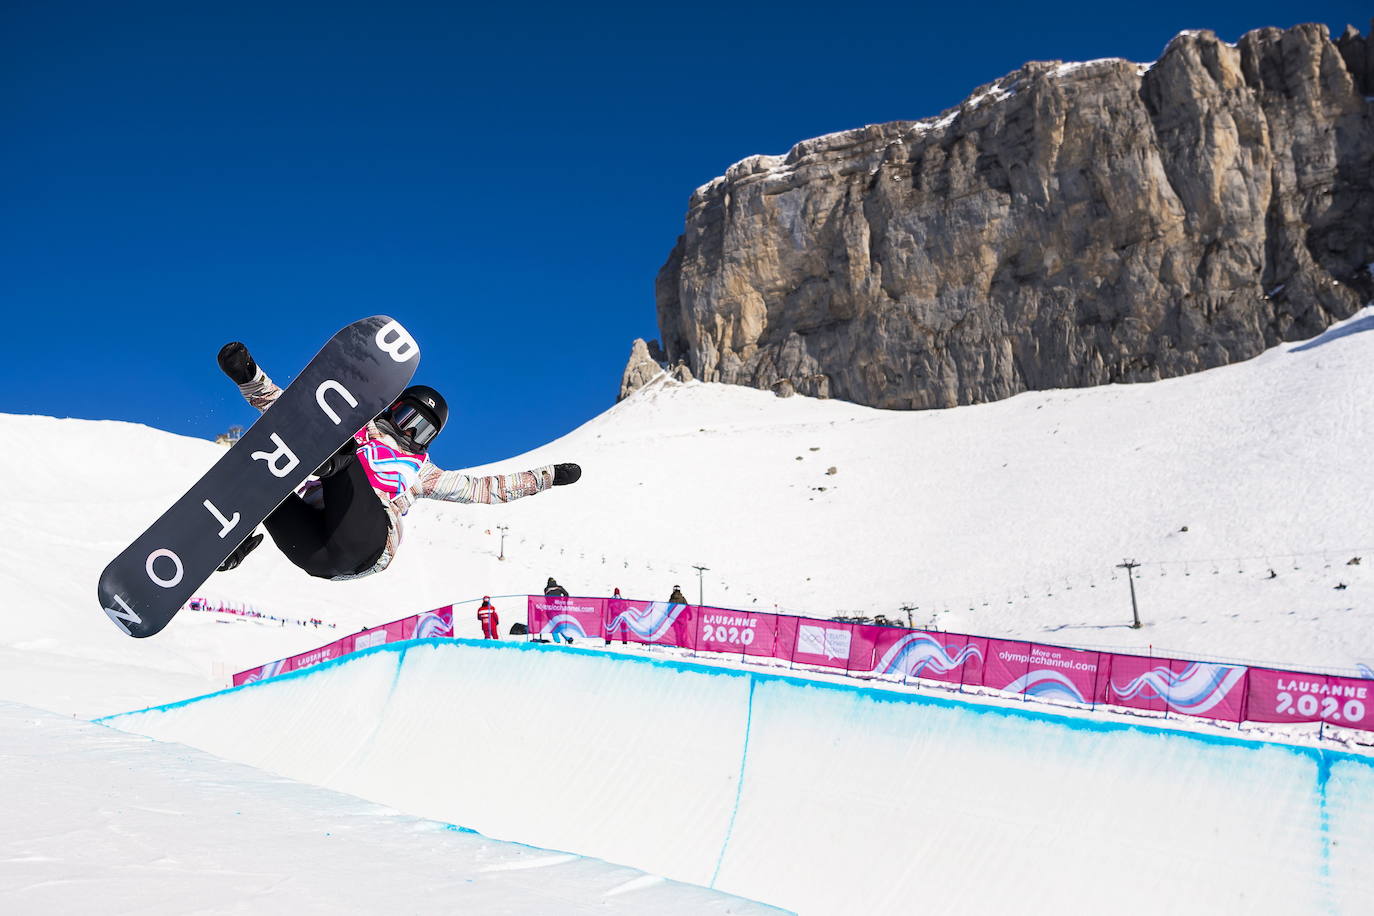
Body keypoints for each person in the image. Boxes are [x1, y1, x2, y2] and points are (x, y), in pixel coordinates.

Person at [213, 341, 582, 579]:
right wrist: (249, 378)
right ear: (393, 409)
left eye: (422, 431)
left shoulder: (423, 471)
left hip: (366, 545)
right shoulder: (361, 426)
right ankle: (222, 548)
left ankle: (329, 463)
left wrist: (547, 476)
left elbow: (485, 490)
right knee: (260, 475)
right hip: (317, 554)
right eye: (407, 418)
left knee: (336, 447)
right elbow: (293, 413)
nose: (409, 433)